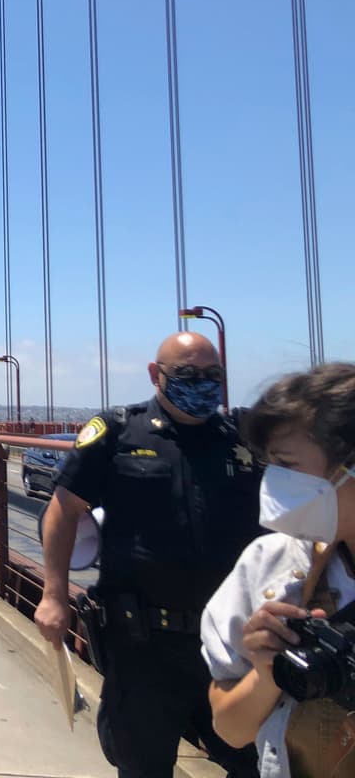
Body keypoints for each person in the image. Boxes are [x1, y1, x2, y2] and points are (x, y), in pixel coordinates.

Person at [34, 331, 260, 778]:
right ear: (156, 375)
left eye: (212, 374)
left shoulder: (244, 438)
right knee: (142, 766)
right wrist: (54, 594)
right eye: (186, 374)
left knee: (254, 765)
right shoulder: (118, 430)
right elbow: (62, 511)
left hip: (234, 644)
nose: (202, 382)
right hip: (144, 646)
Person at [202, 362, 355, 776]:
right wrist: (268, 672)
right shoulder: (271, 562)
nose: (273, 483)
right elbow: (231, 731)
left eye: (287, 465)